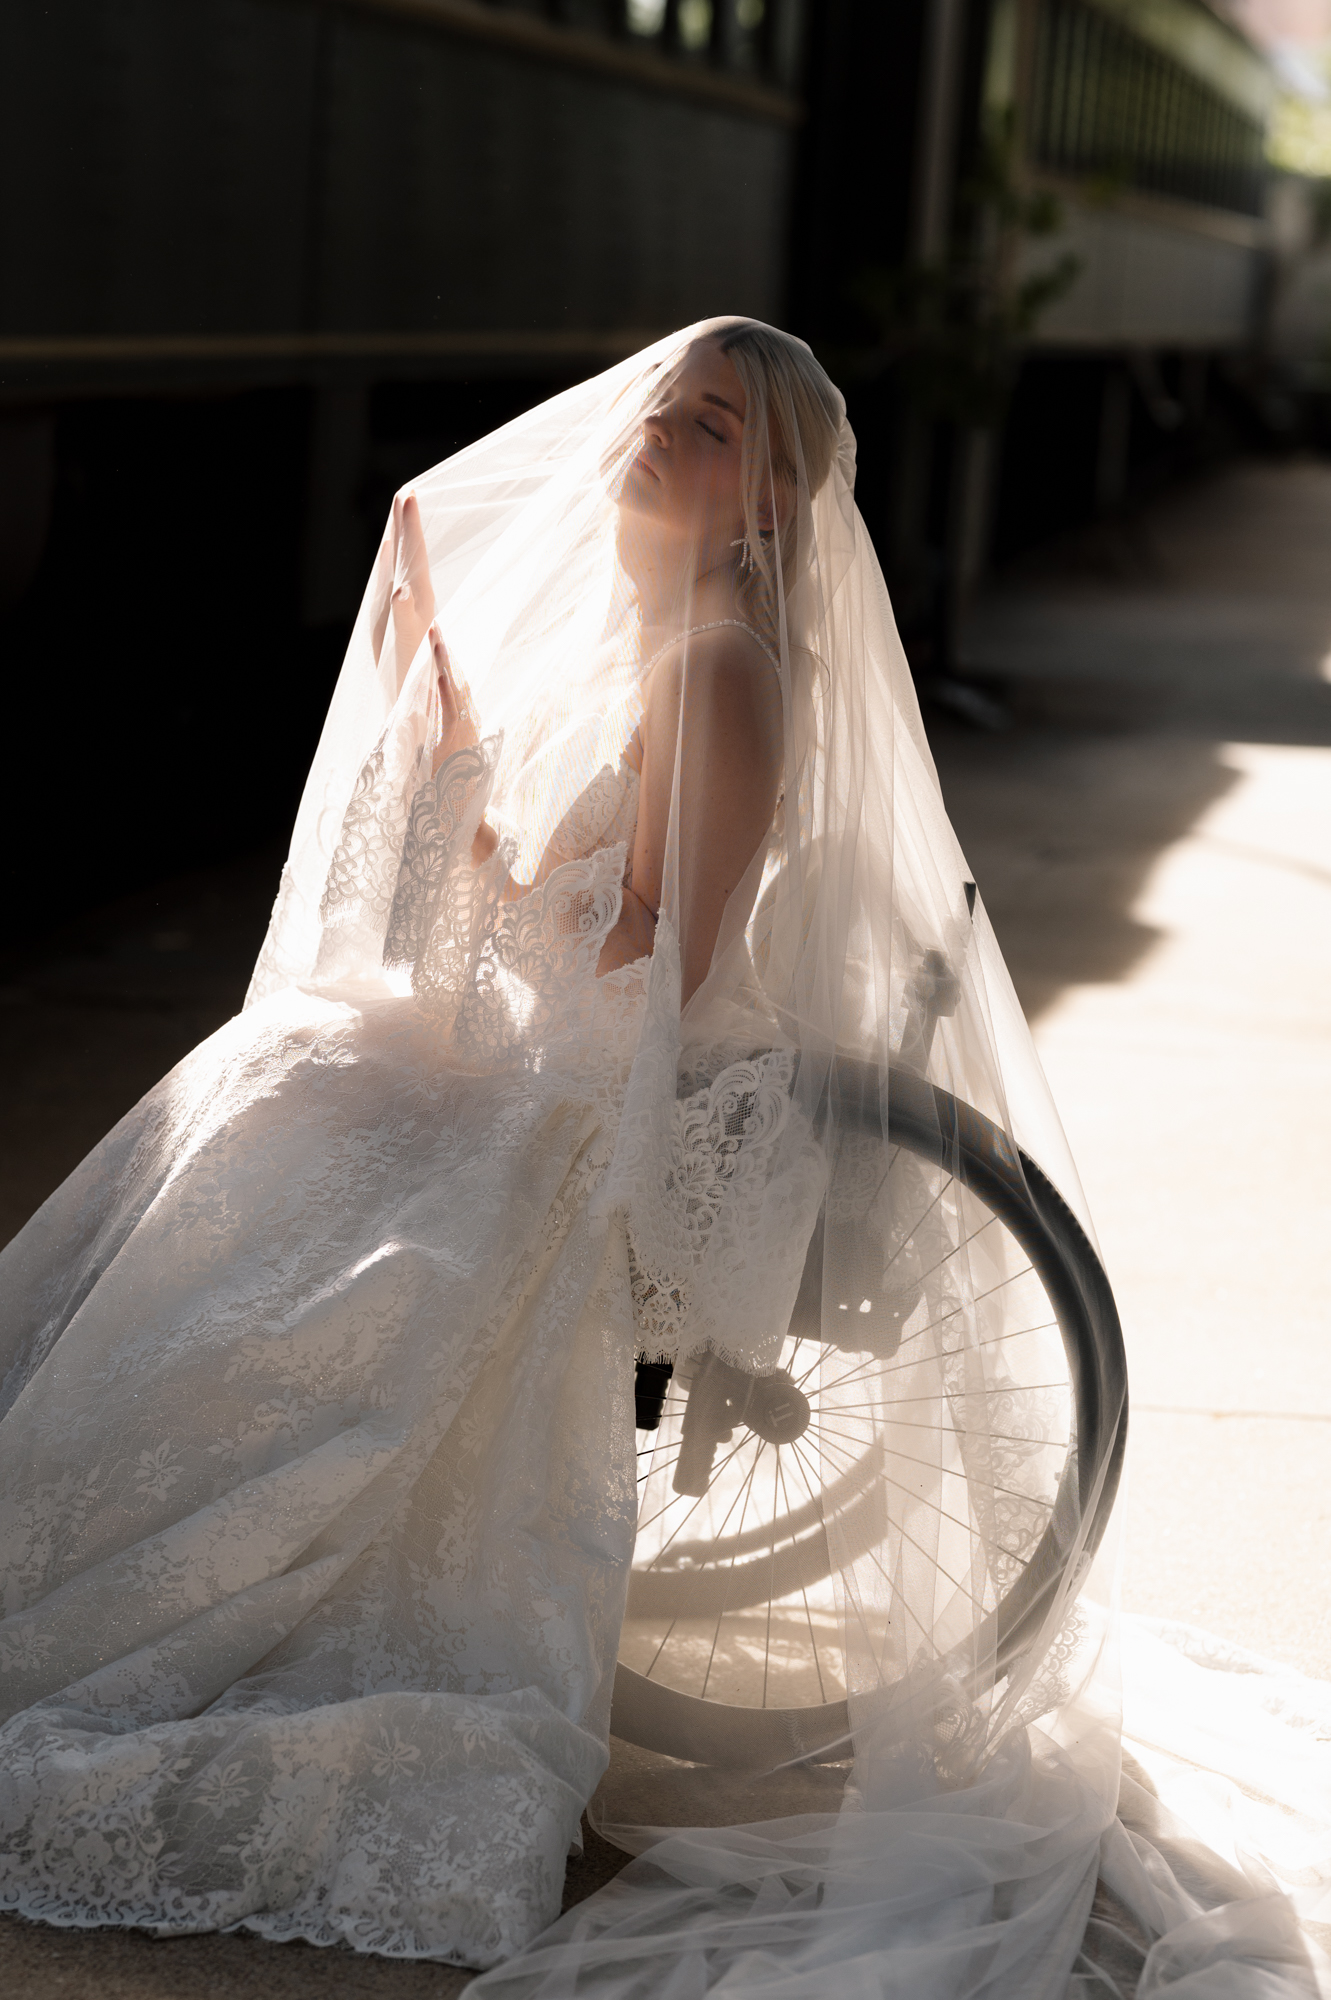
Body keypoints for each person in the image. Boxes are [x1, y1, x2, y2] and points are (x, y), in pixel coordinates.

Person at [0, 322, 1323, 1997]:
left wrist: (468, 950)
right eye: (663, 409)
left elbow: (658, 990)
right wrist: (448, 725)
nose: (654, 440)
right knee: (287, 1073)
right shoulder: (668, 642)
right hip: (561, 1052)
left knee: (295, 1101)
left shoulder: (721, 667)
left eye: (706, 431)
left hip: (606, 1101)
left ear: (771, 499)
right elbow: (566, 912)